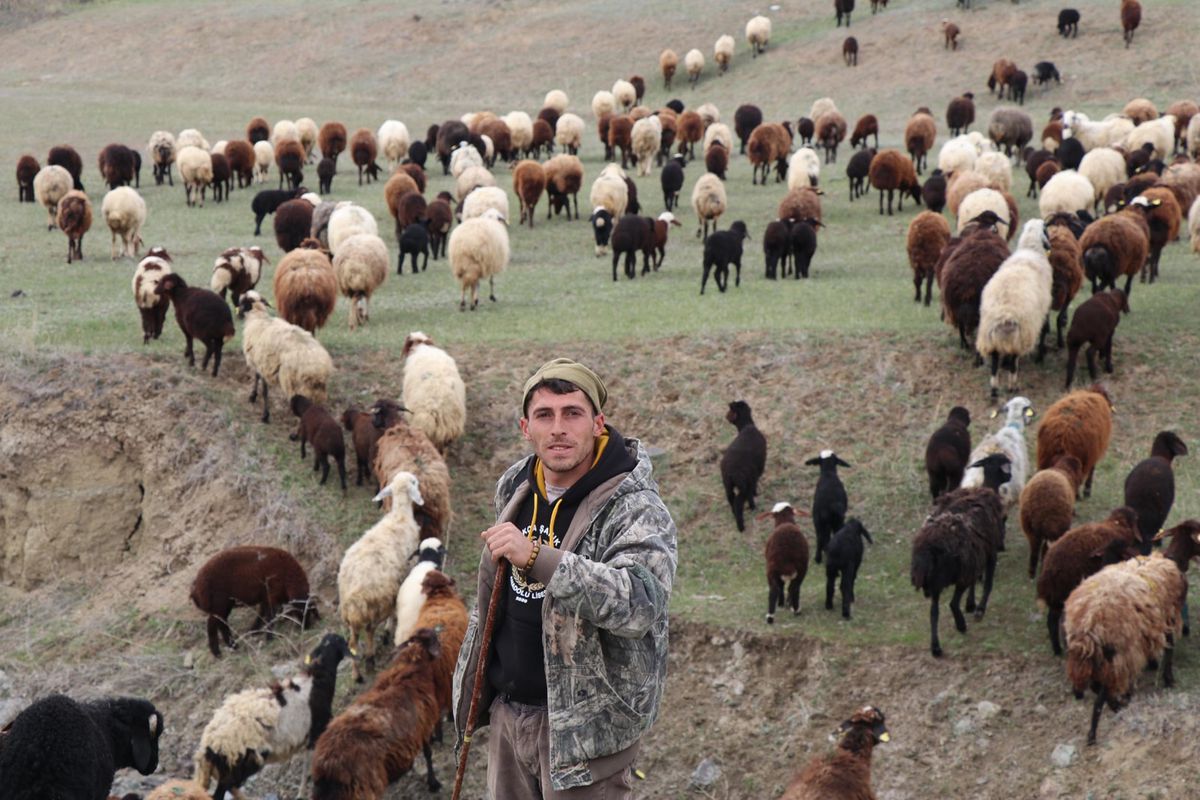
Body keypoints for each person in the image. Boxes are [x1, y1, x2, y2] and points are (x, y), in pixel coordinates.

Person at [453, 357, 678, 799]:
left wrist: (538, 556)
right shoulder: (514, 486)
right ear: (525, 427)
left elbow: (640, 604)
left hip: (586, 739)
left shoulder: (635, 507)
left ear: (597, 423)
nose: (558, 428)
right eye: (545, 415)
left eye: (572, 414)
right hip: (509, 720)